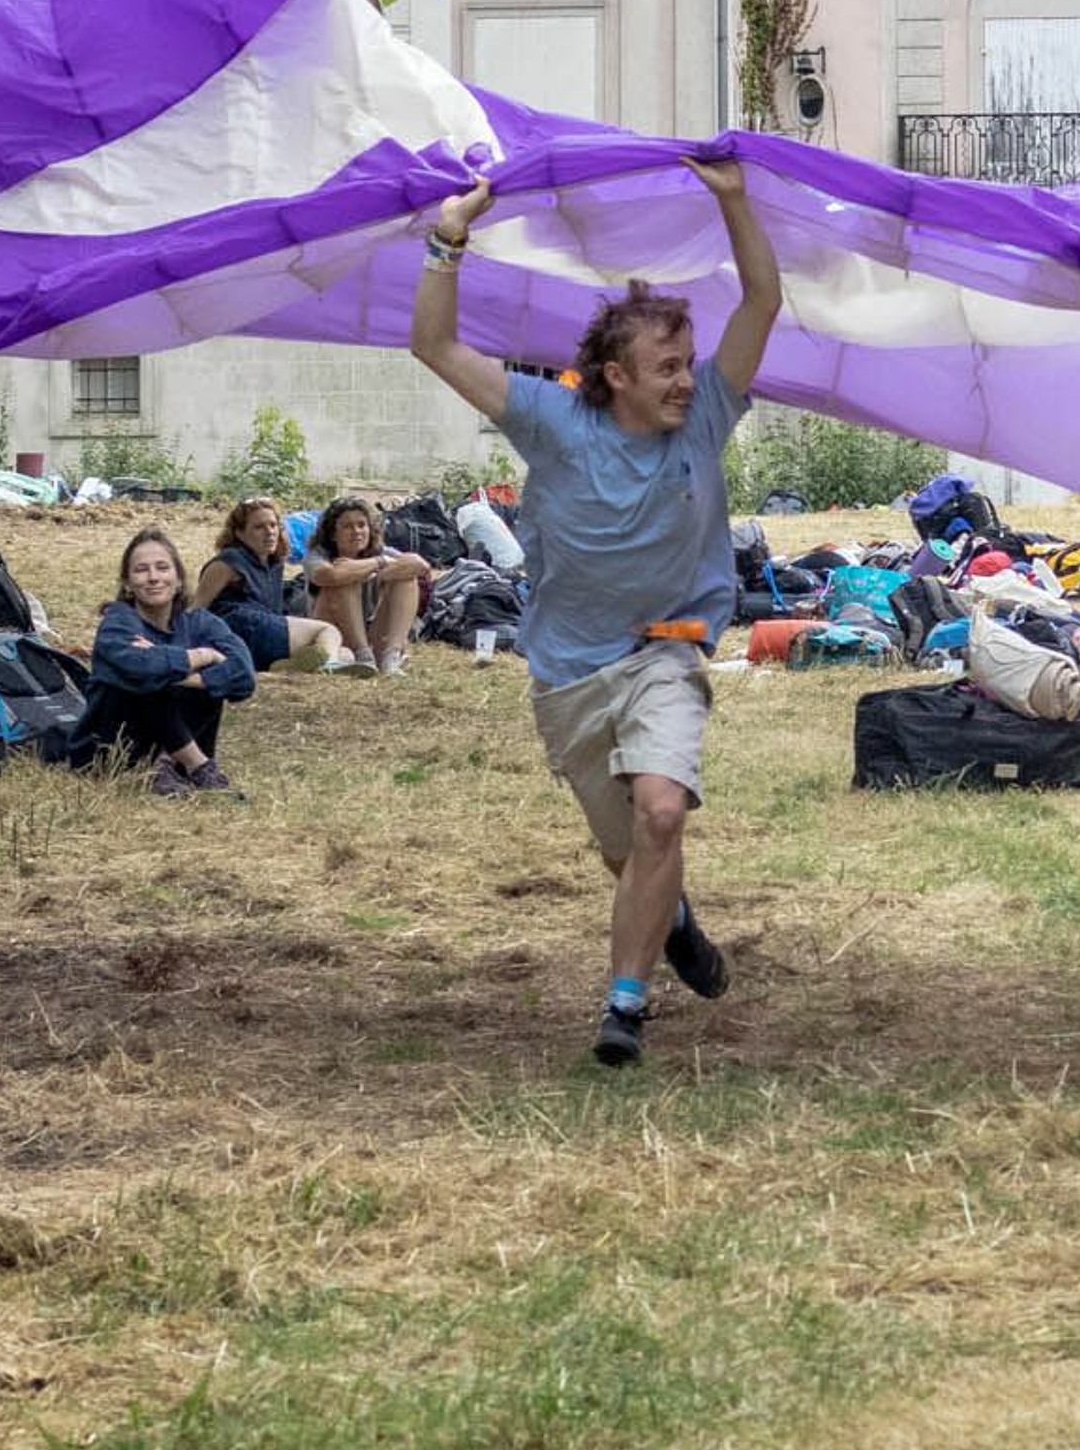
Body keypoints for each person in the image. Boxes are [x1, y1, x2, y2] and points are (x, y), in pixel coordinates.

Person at [409, 156, 780, 1066]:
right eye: (666, 367)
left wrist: (733, 201)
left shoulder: (706, 420)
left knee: (660, 816)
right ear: (613, 375)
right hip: (570, 674)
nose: (686, 380)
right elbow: (436, 347)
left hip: (666, 651)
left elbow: (762, 306)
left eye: (687, 364)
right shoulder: (551, 420)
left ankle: (625, 1005)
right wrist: (448, 239)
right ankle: (675, 920)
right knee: (630, 859)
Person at [63, 528, 255, 796]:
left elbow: (244, 677)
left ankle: (168, 764)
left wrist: (178, 669)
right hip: (110, 754)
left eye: (162, 568)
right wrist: (204, 656)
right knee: (144, 677)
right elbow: (141, 668)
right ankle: (197, 766)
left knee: (171, 673)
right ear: (127, 583)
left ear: (178, 579)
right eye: (141, 570)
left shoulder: (200, 623)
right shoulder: (118, 622)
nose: (153, 578)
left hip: (171, 758)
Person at [194, 497, 351, 675]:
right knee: (328, 631)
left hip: (264, 630)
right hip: (238, 629)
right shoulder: (228, 562)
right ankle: (326, 669)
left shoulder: (273, 562)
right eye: (259, 527)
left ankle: (288, 666)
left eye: (273, 525)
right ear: (239, 533)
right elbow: (196, 609)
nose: (269, 532)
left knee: (346, 655)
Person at [306, 496, 435, 674]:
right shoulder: (318, 555)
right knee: (343, 579)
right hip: (332, 631)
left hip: (372, 632)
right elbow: (329, 575)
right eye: (347, 526)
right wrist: (377, 564)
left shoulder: (379, 553)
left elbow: (421, 566)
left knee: (406, 579)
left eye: (361, 525)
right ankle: (362, 656)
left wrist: (380, 572)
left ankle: (391, 657)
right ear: (333, 534)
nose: (357, 531)